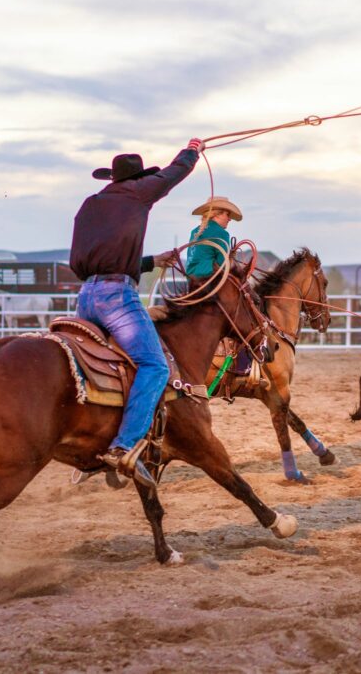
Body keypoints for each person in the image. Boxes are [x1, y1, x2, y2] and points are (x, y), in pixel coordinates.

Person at [69, 140, 203, 486]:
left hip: (86, 297)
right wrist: (192, 150)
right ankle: (124, 445)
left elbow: (97, 258)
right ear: (137, 180)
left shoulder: (89, 205)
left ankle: (85, 439)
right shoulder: (137, 195)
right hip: (117, 297)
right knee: (154, 365)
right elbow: (175, 173)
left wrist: (150, 262)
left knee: (92, 367)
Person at [185, 196, 243, 278]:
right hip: (209, 279)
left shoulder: (194, 231)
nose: (229, 219)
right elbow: (223, 264)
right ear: (217, 215)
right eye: (227, 214)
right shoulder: (221, 233)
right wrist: (231, 259)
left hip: (191, 279)